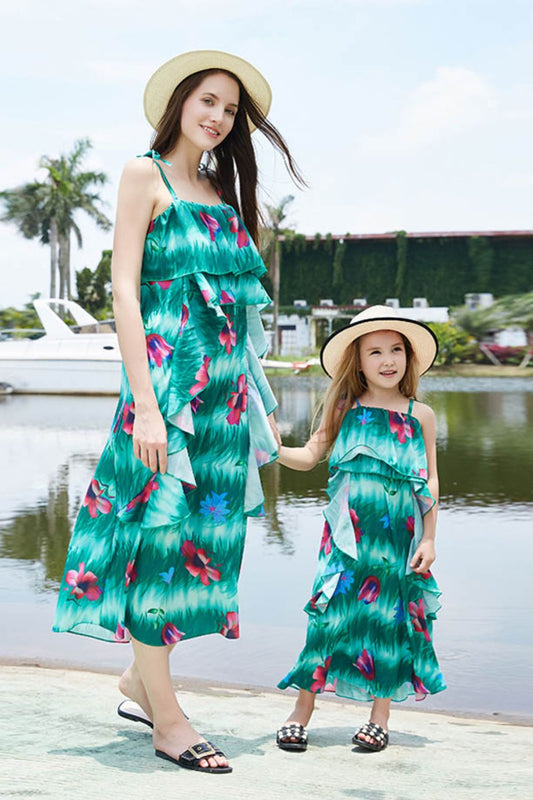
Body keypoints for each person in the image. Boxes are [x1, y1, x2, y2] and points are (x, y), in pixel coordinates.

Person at [53, 50, 303, 774]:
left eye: (230, 109)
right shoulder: (145, 175)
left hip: (225, 411)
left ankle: (139, 679)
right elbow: (125, 294)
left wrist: (260, 409)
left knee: (205, 553)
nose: (218, 117)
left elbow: (234, 319)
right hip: (165, 399)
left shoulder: (222, 198)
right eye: (208, 101)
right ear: (179, 104)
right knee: (157, 550)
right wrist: (148, 410)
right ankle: (167, 718)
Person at [275, 305, 446, 753]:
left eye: (396, 350)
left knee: (387, 620)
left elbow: (428, 481)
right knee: (328, 618)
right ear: (359, 359)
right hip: (346, 541)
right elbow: (310, 455)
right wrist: (273, 446)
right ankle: (301, 711)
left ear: (408, 357)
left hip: (398, 541)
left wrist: (429, 537)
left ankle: (380, 716)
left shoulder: (419, 415)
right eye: (375, 352)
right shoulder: (344, 408)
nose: (387, 360)